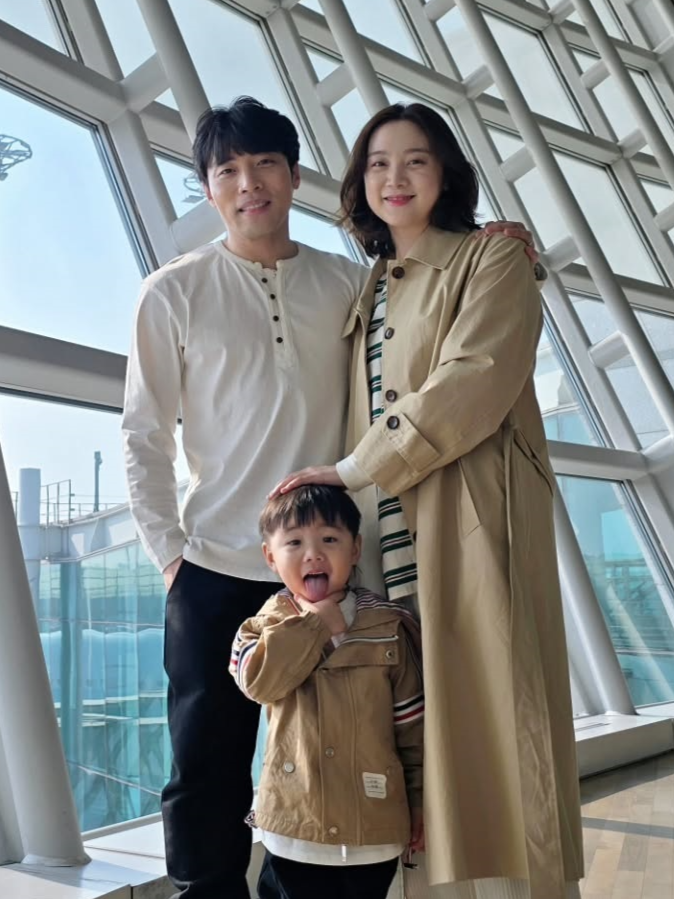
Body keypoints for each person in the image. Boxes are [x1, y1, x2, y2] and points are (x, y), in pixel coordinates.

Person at [121, 95, 537, 899]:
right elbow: (142, 435)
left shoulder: (349, 284)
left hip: (335, 570)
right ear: (207, 188)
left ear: (295, 175)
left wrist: (498, 242)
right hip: (215, 565)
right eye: (228, 170)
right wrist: (171, 559)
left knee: (337, 756)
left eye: (265, 164)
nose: (249, 184)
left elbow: (430, 302)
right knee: (205, 761)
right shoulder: (171, 292)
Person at [272, 102, 584, 899]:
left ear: (446, 172)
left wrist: (353, 466)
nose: (395, 177)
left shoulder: (492, 259)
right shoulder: (369, 285)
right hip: (387, 544)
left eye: (415, 160)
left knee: (498, 733)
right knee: (413, 744)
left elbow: (474, 379)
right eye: (378, 163)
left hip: (470, 529)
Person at [229, 484, 423, 899]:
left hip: (373, 829)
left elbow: (413, 727)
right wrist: (316, 624)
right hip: (294, 830)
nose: (313, 554)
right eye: (294, 542)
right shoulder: (259, 627)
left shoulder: (388, 625)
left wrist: (420, 802)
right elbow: (258, 683)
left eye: (330, 539)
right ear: (270, 556)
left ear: (356, 549)